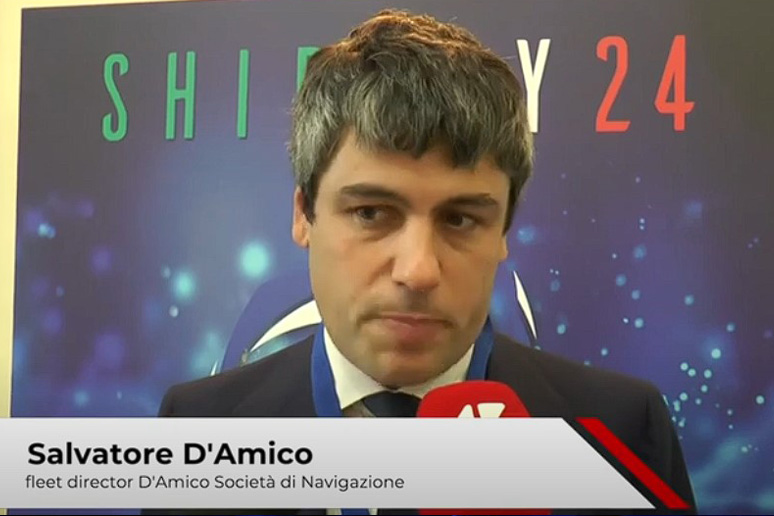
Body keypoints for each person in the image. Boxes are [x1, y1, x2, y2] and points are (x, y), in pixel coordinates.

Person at [151, 9, 696, 515]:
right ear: (303, 216)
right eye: (371, 213)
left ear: (504, 230)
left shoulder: (624, 433)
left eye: (460, 219)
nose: (417, 271)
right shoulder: (198, 429)